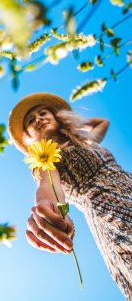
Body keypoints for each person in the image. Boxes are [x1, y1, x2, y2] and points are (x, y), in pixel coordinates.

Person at [8, 92, 132, 300]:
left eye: (43, 113)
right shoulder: (44, 159)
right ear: (27, 136)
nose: (38, 118)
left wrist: (73, 123)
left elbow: (103, 122)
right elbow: (47, 185)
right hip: (109, 207)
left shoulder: (85, 142)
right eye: (31, 120)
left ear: (57, 117)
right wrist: (47, 208)